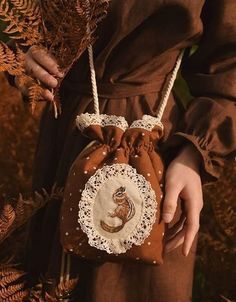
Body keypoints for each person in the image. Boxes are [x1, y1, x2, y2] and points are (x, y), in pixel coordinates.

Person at [12, 1, 236, 301]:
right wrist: (20, 52)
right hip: (66, 132)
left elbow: (229, 58)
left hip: (154, 144)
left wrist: (195, 154)